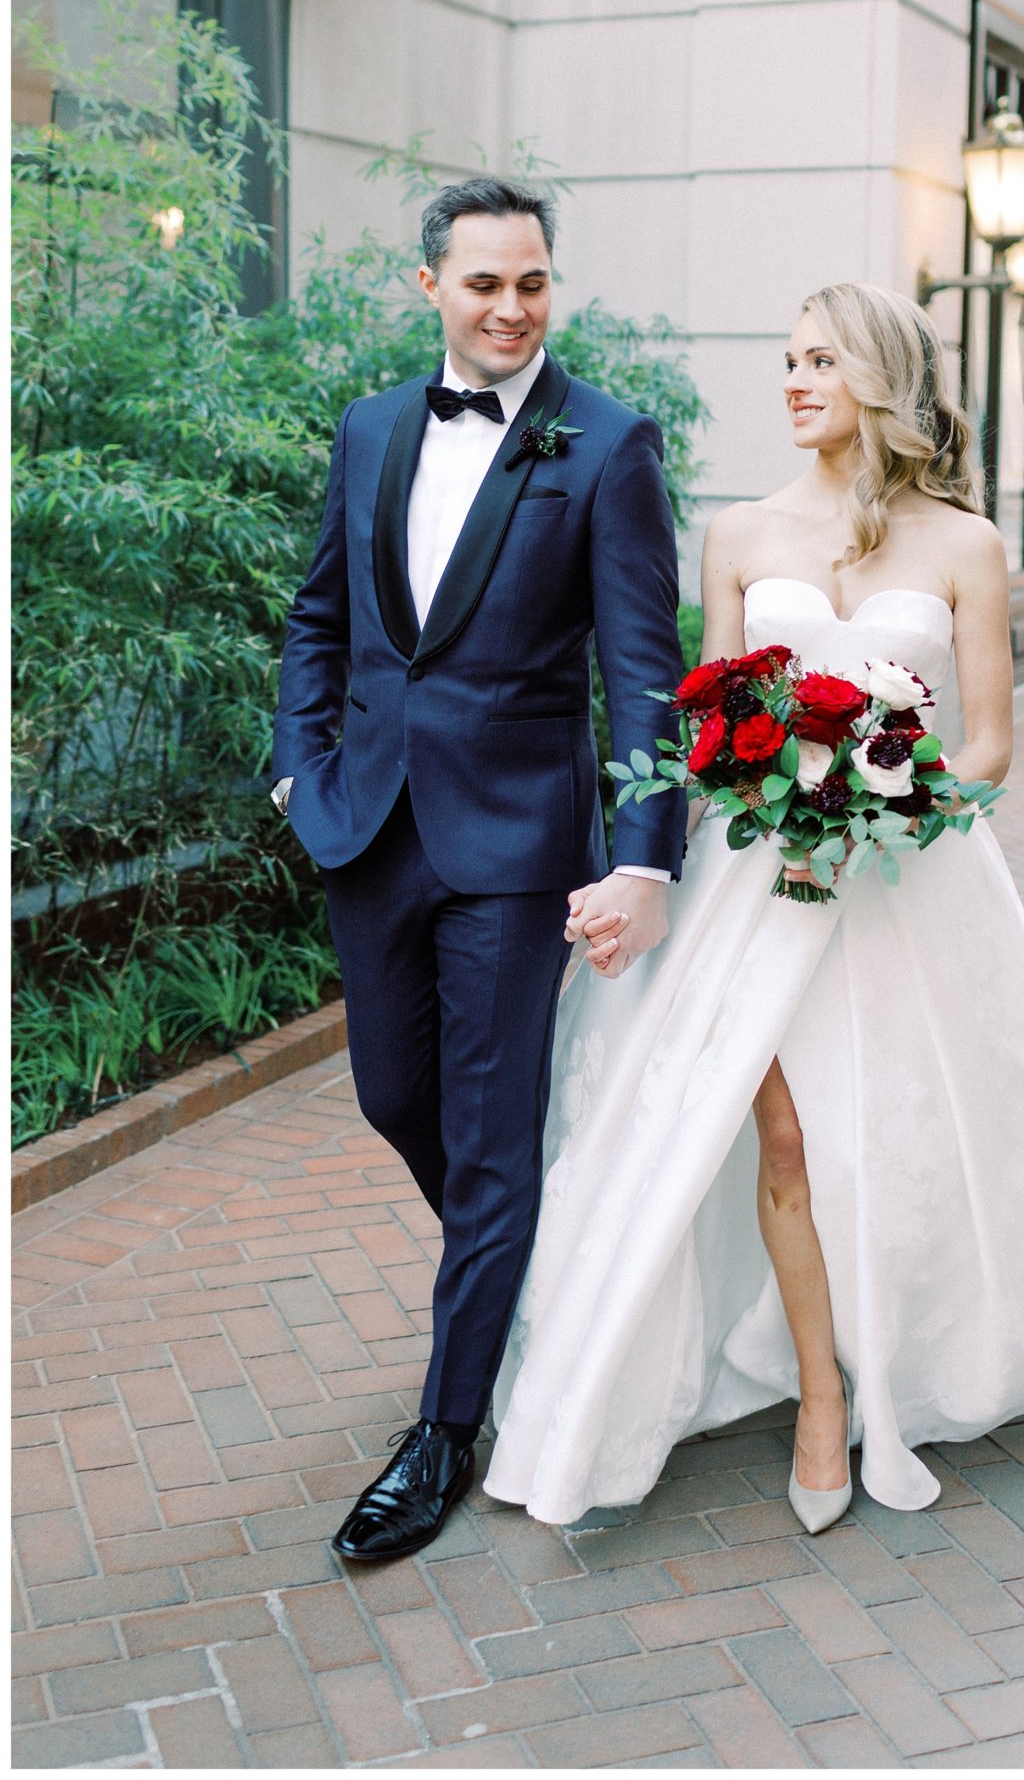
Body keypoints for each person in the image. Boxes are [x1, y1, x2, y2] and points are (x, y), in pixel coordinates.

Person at [488, 280, 1024, 1531]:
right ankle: (820, 1394)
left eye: (821, 359)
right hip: (759, 880)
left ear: (879, 377)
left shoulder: (961, 544)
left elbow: (985, 749)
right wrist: (768, 808)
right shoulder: (741, 534)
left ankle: (916, 1349)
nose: (795, 380)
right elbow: (698, 725)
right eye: (788, 358)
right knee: (779, 1133)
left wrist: (870, 816)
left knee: (899, 1132)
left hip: (902, 881)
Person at [271, 177, 686, 1561]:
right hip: (370, 833)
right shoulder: (374, 426)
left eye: (533, 284)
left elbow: (644, 679)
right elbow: (318, 617)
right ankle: (532, 1274)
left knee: (494, 1136)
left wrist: (645, 858)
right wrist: (297, 768)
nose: (511, 309)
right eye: (484, 284)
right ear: (431, 286)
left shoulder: (607, 445)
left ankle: (446, 1429)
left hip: (517, 852)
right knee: (400, 1097)